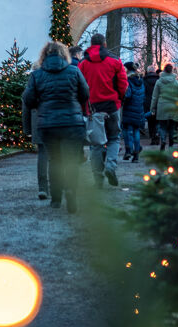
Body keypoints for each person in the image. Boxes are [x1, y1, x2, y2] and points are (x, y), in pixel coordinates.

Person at [22, 41, 90, 213]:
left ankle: (56, 198)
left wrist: (41, 103)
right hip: (72, 122)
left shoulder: (37, 75)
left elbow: (28, 99)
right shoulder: (74, 71)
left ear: (44, 56)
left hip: (48, 123)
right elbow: (85, 94)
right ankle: (72, 192)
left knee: (55, 160)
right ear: (64, 55)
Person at [78, 32, 128, 187]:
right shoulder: (115, 61)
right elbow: (123, 83)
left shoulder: (83, 63)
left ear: (92, 44)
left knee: (96, 144)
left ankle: (97, 177)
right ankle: (111, 166)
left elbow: (80, 86)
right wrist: (119, 98)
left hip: (93, 108)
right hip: (112, 105)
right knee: (113, 138)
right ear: (105, 44)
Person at [21, 95, 49, 200]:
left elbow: (27, 101)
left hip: (40, 119)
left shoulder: (36, 78)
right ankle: (60, 186)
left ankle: (43, 187)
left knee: (43, 155)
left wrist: (27, 128)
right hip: (61, 119)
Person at [151, 63, 178, 152]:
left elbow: (154, 96)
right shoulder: (176, 82)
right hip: (173, 105)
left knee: (162, 126)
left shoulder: (159, 81)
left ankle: (163, 140)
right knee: (172, 126)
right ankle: (171, 143)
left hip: (162, 105)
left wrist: (152, 108)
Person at [121, 62, 146, 162]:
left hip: (129, 108)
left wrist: (122, 98)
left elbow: (128, 94)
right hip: (139, 108)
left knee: (126, 129)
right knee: (136, 131)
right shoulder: (141, 80)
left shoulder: (128, 80)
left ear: (127, 69)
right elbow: (143, 94)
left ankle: (128, 150)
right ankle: (136, 155)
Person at [143, 66, 160, 145]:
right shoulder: (159, 79)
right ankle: (157, 134)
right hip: (158, 102)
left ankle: (152, 137)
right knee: (157, 120)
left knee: (150, 121)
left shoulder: (144, 80)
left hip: (147, 102)